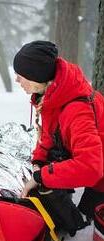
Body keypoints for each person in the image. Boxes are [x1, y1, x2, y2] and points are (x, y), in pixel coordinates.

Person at [13, 40, 104, 219]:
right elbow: (49, 134)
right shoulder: (54, 94)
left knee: (84, 224)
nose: (17, 80)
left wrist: (41, 177)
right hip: (97, 166)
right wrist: (38, 161)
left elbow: (91, 167)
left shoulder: (77, 110)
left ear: (36, 76)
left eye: (21, 75)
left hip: (99, 173)